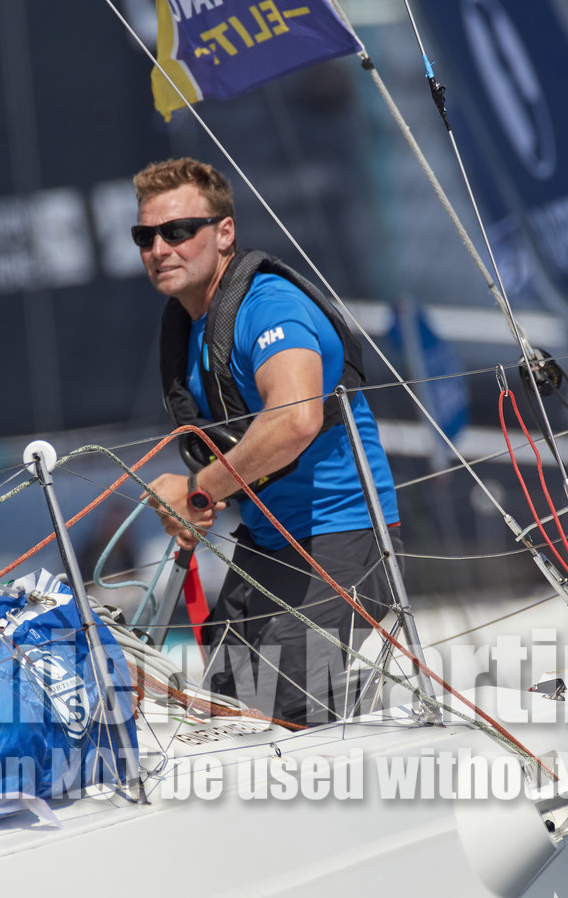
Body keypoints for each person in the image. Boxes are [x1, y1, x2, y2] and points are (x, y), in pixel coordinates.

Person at [132, 157, 400, 727]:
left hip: (342, 530)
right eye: (146, 236)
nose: (160, 248)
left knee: (283, 710)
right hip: (270, 538)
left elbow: (296, 418)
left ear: (224, 232)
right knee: (226, 710)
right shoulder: (191, 326)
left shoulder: (269, 306)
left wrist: (198, 493)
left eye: (178, 231)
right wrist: (190, 500)